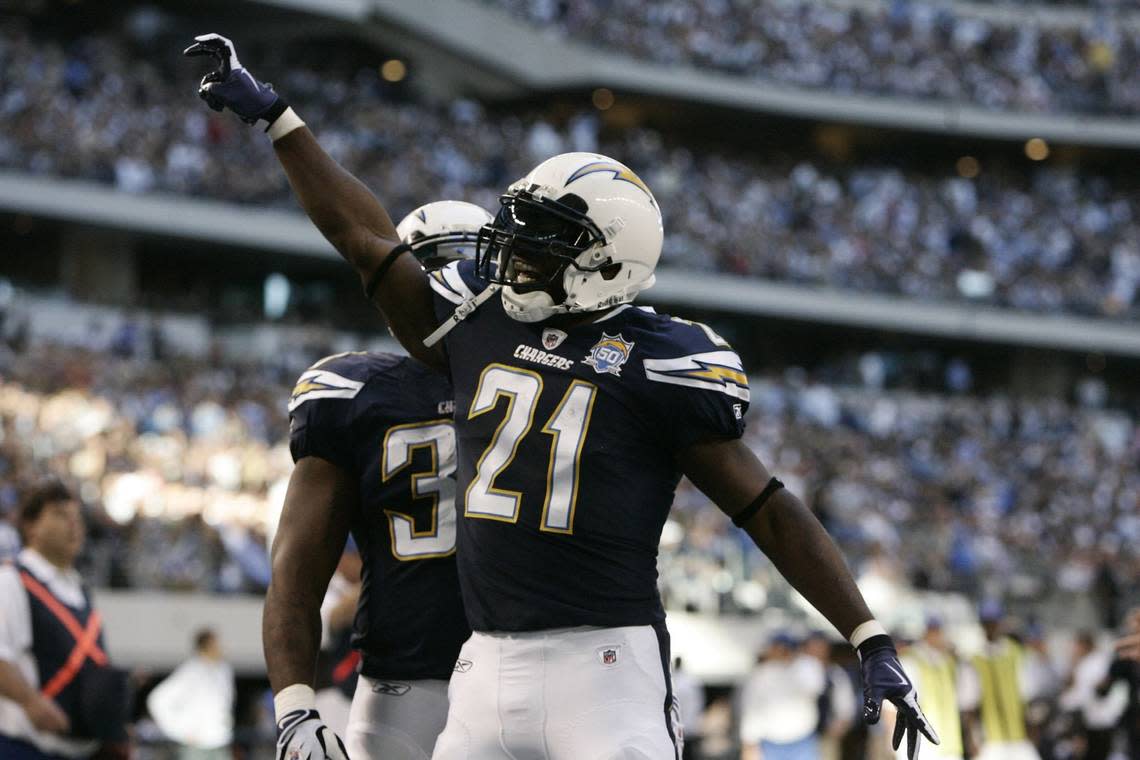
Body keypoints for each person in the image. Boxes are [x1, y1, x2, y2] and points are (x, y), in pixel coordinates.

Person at [186, 35, 938, 760]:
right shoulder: (473, 330)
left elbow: (769, 508)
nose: (513, 251)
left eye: (544, 238)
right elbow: (362, 236)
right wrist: (278, 120)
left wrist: (866, 632)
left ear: (606, 260)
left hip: (605, 667)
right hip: (481, 668)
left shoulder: (659, 359)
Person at [260, 199, 491, 760]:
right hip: (405, 683)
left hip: (516, 673)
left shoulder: (543, 380)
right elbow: (296, 570)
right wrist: (294, 708)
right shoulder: (354, 393)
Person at [0, 481, 129, 760]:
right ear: (31, 526)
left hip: (79, 749)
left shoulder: (78, 590)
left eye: (77, 518)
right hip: (23, 748)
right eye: (60, 515)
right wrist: (30, 702)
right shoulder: (12, 580)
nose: (73, 525)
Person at [963, 603, 1040, 760]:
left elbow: (1029, 697)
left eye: (994, 622)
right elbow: (969, 704)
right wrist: (972, 738)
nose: (991, 627)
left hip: (1019, 736)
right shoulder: (974, 660)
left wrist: (1033, 731)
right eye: (987, 623)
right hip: (991, 739)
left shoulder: (1018, 654)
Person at [885, 619, 971, 760]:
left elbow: (965, 702)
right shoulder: (909, 661)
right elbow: (890, 708)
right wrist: (893, 743)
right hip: (920, 746)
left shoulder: (948, 662)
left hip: (948, 744)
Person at [146, 628, 235, 760]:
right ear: (205, 646)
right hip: (196, 747)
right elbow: (157, 700)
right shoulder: (191, 670)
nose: (220, 647)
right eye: (215, 643)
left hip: (220, 741)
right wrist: (179, 731)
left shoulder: (223, 670)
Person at [738, 633, 826, 760]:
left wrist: (791, 662)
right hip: (770, 744)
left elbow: (814, 687)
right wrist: (749, 745)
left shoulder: (807, 666)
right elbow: (751, 711)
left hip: (803, 741)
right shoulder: (760, 675)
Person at [803, 632, 856, 760]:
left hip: (825, 734)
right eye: (813, 647)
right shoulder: (797, 670)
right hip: (799, 736)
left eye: (820, 647)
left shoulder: (835, 673)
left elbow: (847, 707)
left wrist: (839, 727)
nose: (816, 651)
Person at [669, 657, 703, 760]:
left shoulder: (674, 682)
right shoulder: (693, 682)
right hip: (690, 727)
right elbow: (699, 704)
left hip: (679, 728)